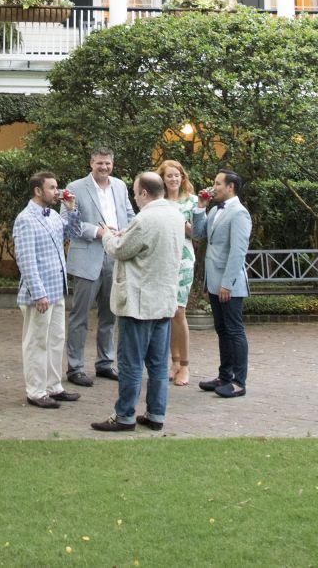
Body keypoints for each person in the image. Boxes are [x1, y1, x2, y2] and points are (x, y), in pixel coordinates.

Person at [91, 172, 185, 432]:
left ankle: (124, 416)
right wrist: (125, 235)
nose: (134, 197)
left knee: (130, 362)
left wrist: (107, 234)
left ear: (144, 193)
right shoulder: (175, 215)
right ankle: (156, 414)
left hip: (139, 302)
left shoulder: (144, 219)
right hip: (164, 299)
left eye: (135, 193)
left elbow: (121, 250)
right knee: (157, 364)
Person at [61, 147, 135, 388]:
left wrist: (129, 230)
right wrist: (99, 231)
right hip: (88, 257)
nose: (104, 167)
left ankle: (105, 363)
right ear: (91, 164)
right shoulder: (74, 188)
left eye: (108, 163)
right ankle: (75, 367)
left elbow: (128, 213)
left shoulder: (120, 186)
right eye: (100, 163)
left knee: (110, 314)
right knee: (79, 316)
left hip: (116, 256)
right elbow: (68, 223)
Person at [13, 172, 83, 409]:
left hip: (57, 289)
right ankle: (35, 391)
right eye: (52, 188)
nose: (57, 191)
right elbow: (26, 260)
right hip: (40, 294)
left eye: (57, 187)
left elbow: (72, 233)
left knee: (55, 340)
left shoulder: (53, 214)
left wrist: (71, 209)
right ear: (38, 191)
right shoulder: (25, 219)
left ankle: (54, 386)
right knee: (37, 342)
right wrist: (38, 292)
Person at [192, 169, 252, 399]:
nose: (213, 187)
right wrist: (200, 207)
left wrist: (227, 283)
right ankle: (224, 376)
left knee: (235, 331)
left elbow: (238, 252)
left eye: (217, 184)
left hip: (231, 284)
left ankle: (238, 382)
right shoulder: (216, 209)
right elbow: (198, 234)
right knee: (222, 330)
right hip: (215, 282)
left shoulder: (240, 213)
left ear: (230, 187)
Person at [157, 159, 198, 386]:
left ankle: (185, 366)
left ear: (183, 178)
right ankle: (173, 362)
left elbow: (199, 234)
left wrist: (182, 223)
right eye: (169, 176)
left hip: (183, 260)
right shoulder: (158, 202)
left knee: (179, 312)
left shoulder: (192, 202)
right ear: (162, 179)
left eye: (177, 175)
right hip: (162, 260)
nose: (173, 179)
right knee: (167, 312)